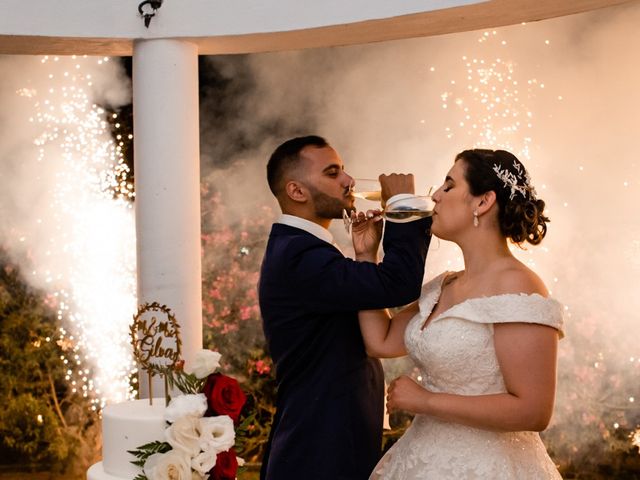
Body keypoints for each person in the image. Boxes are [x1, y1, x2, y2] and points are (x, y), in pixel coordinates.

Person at [355, 149, 564, 479]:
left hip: (489, 467)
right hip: (422, 459)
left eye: (449, 186)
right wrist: (366, 257)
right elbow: (379, 341)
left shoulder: (517, 284)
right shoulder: (444, 285)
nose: (435, 195)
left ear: (483, 202)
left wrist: (426, 401)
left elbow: (533, 410)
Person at [258, 135, 432, 480]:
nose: (349, 181)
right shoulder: (299, 256)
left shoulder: (302, 249)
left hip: (331, 437)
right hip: (319, 448)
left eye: (344, 170)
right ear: (297, 191)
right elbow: (398, 284)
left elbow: (365, 299)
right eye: (332, 172)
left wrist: (365, 257)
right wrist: (403, 204)